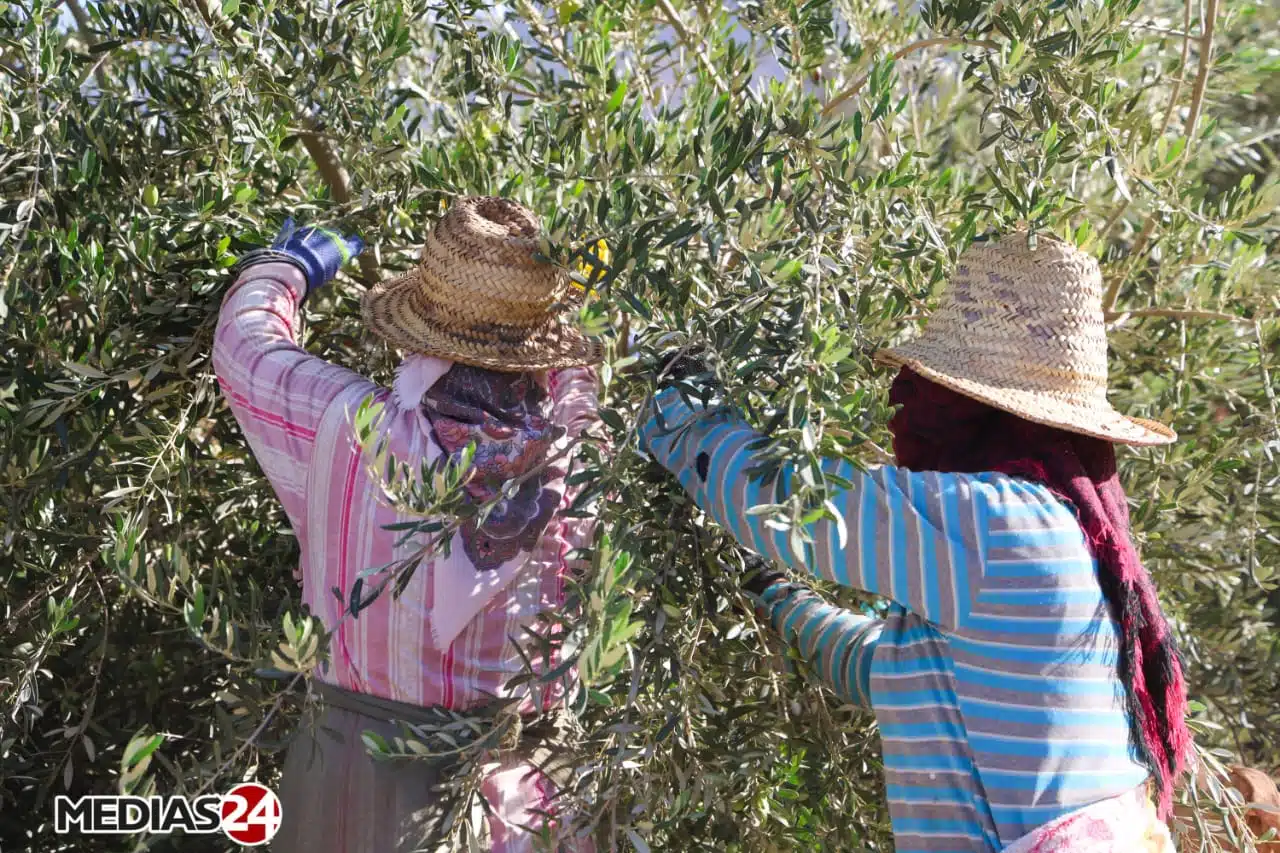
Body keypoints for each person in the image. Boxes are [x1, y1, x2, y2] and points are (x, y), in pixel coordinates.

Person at [640, 233, 1189, 853]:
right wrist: (778, 597)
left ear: (963, 405)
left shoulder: (996, 524)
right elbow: (900, 677)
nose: (904, 399)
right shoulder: (1061, 527)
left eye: (923, 387)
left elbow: (794, 502)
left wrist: (675, 400)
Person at [213, 197, 603, 852]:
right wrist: (551, 298)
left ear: (421, 328)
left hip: (351, 786)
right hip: (521, 805)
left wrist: (283, 269)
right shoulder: (574, 445)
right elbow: (576, 377)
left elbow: (246, 346)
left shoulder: (345, 427)